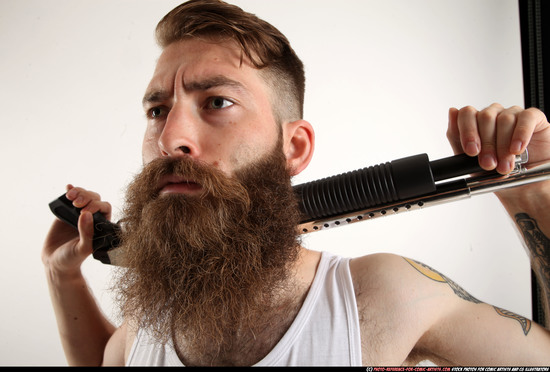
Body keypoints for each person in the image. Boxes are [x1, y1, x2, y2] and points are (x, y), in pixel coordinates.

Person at [42, 0, 550, 366]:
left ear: (296, 148)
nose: (170, 137)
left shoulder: (385, 300)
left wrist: (532, 192)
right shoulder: (149, 322)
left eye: (217, 102)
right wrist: (62, 277)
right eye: (157, 110)